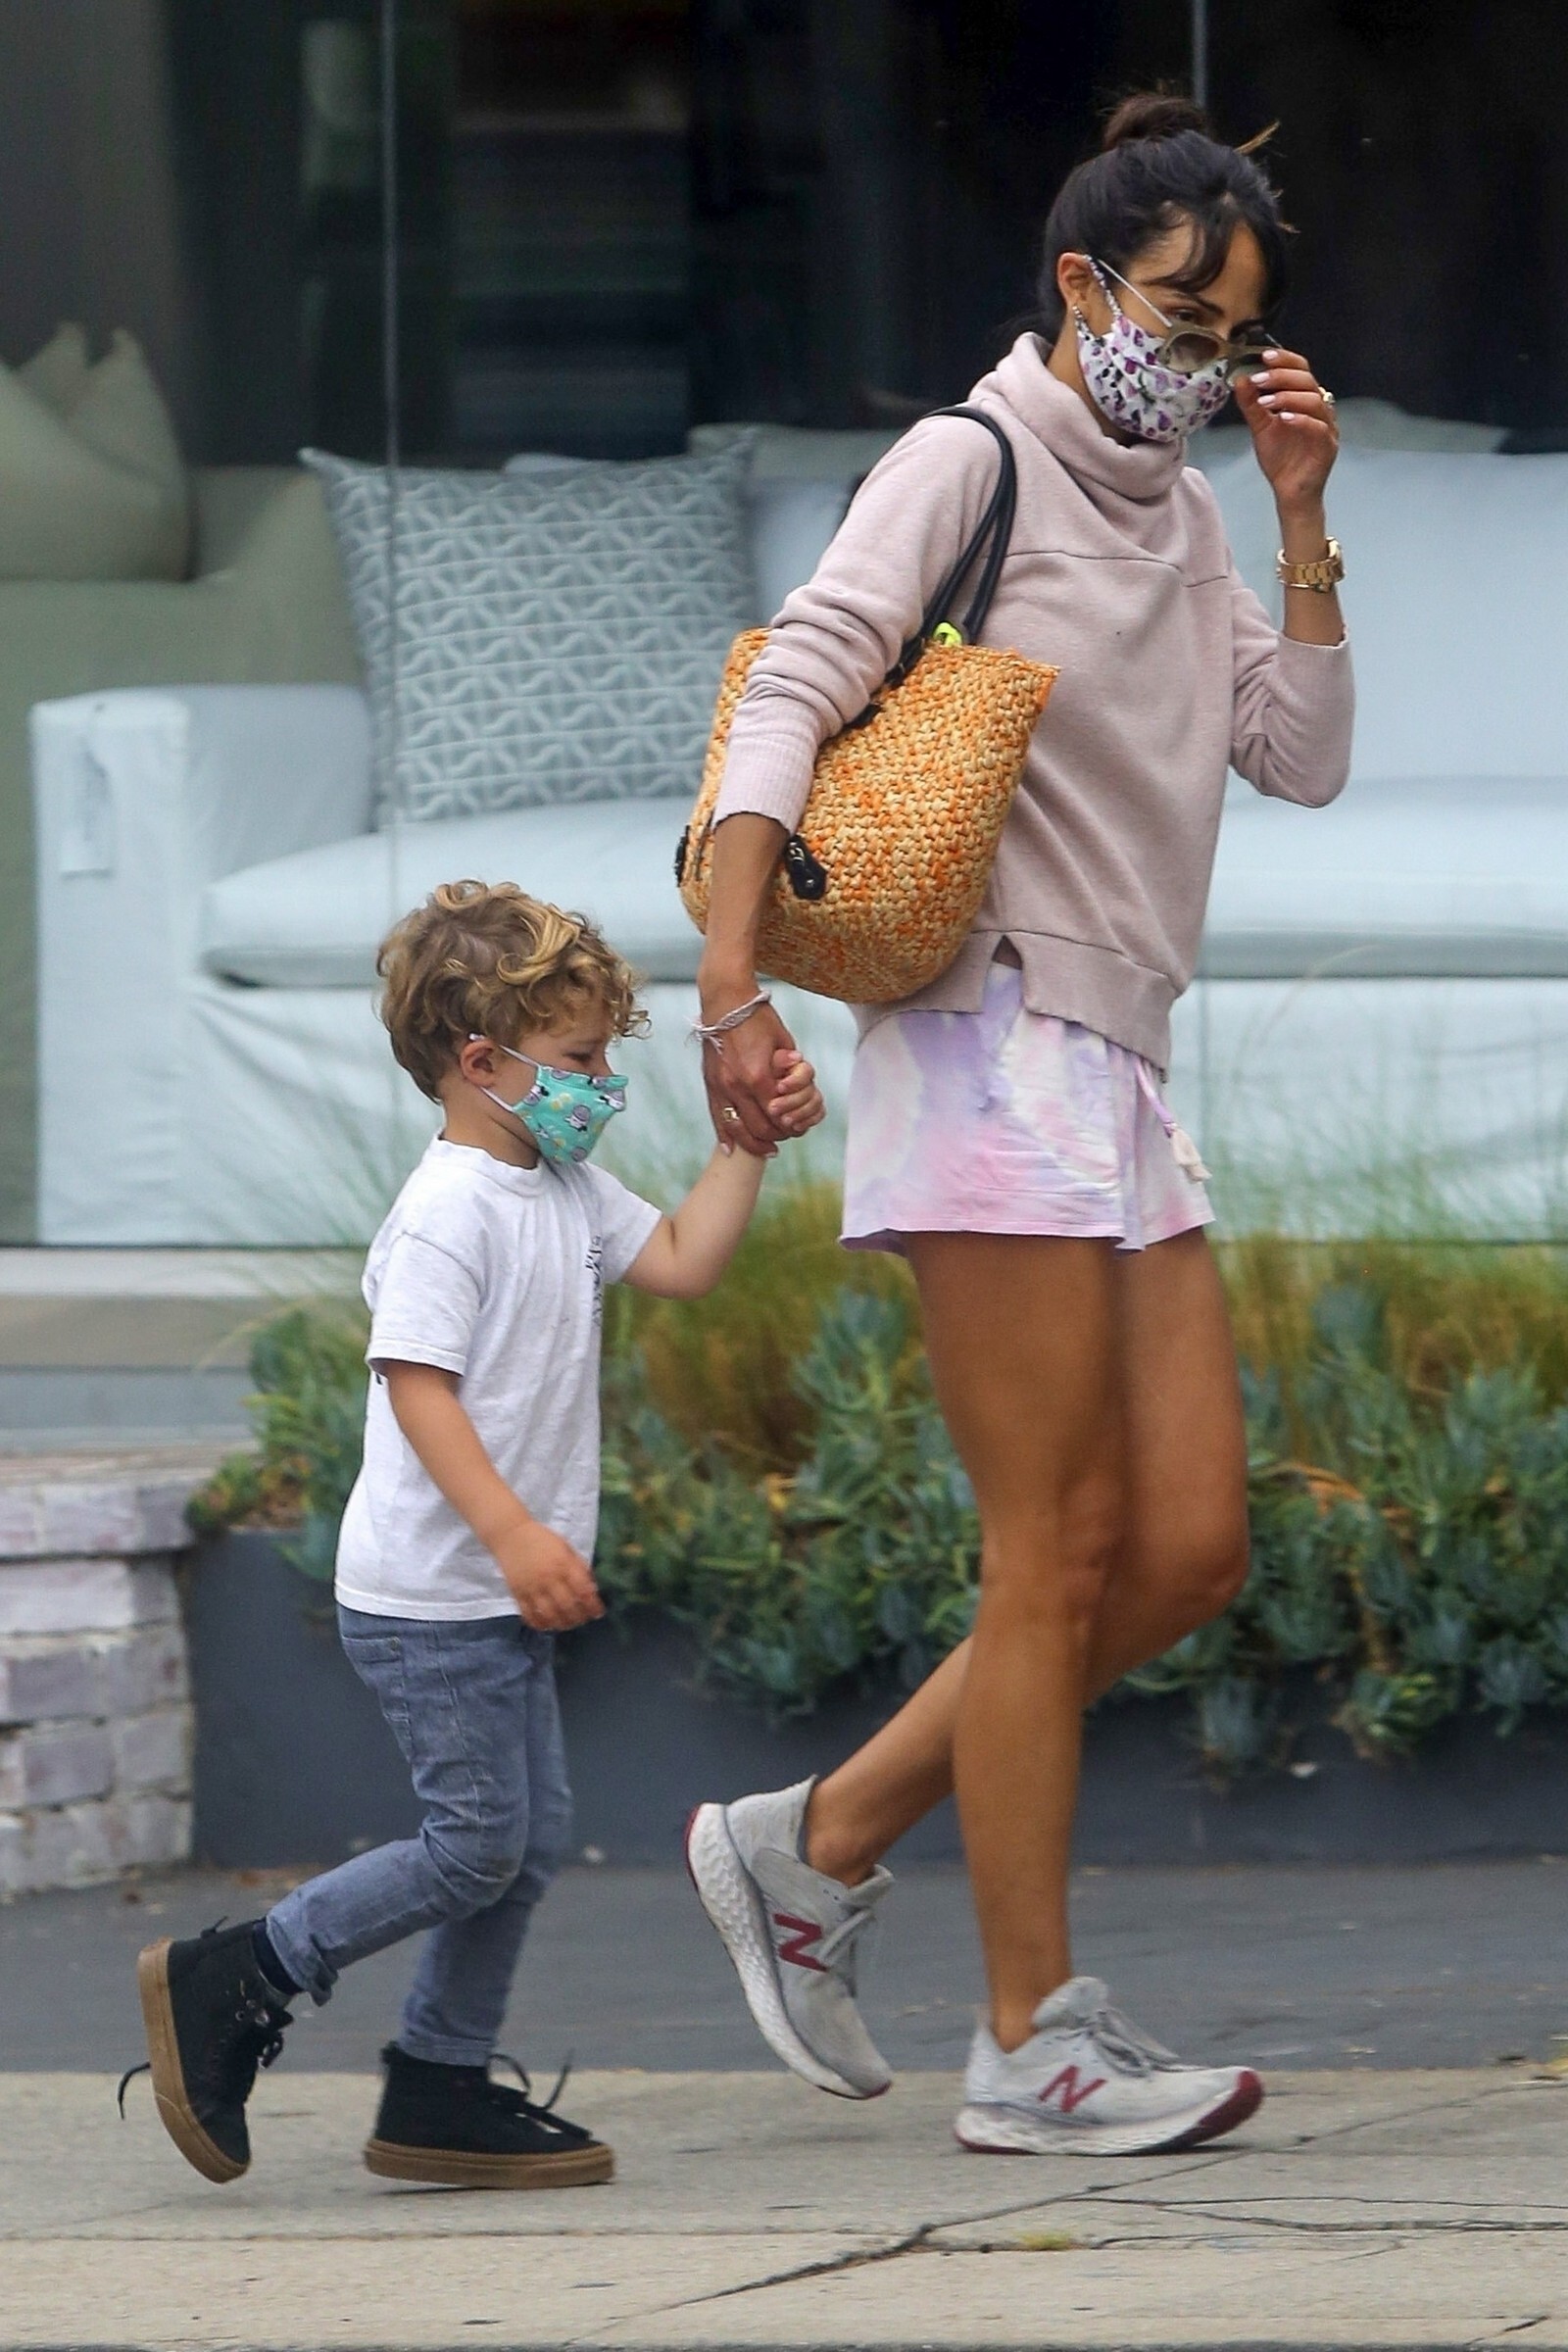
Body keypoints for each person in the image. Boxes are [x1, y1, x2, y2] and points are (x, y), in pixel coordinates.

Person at [685, 92, 1352, 2157]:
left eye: (1227, 337)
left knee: (1186, 1544)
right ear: (1079, 285)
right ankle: (1028, 2045)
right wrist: (726, 987)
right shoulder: (966, 457)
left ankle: (817, 1839)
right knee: (1046, 1556)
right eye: (1174, 318)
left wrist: (1301, 514)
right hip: (984, 1042)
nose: (1195, 365)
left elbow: (1299, 755)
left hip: (1116, 1064)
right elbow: (794, 684)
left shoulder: (1187, 514)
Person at [127, 880, 822, 2190]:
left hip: (489, 1594)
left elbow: (681, 1258)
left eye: (606, 1057)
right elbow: (418, 1389)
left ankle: (439, 2087)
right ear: (482, 1060)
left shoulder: (561, 1185)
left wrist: (747, 1142)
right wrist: (513, 1534)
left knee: (522, 1839)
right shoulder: (449, 1210)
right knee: (477, 1843)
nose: (602, 1085)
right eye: (580, 1060)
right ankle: (243, 1972)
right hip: (431, 1595)